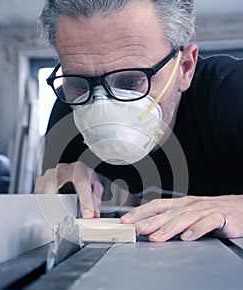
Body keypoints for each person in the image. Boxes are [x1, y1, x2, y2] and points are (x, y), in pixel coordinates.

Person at [35, 0, 243, 242]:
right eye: (80, 82)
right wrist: (61, 194)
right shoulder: (67, 111)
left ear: (185, 68)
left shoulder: (230, 92)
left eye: (131, 81)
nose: (102, 106)